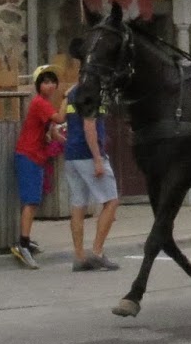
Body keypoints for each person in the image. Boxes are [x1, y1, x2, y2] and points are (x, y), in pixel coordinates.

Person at [63, 38, 120, 272]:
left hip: (71, 155)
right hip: (88, 154)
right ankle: (97, 251)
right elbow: (89, 126)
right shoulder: (91, 94)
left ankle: (79, 256)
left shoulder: (73, 92)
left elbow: (65, 117)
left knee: (78, 204)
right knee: (111, 201)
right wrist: (98, 158)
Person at [12, 65, 66, 269]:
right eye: (45, 81)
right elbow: (60, 119)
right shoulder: (40, 103)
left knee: (33, 201)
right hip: (29, 155)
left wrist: (64, 142)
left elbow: (53, 131)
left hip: (35, 156)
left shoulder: (44, 104)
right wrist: (67, 101)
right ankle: (23, 244)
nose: (50, 85)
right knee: (31, 201)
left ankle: (25, 238)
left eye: (53, 81)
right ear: (38, 85)